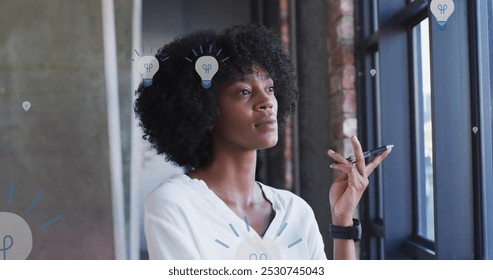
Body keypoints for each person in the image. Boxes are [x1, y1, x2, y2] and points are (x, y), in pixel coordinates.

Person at [134, 24, 391, 260]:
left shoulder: (296, 210)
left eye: (269, 89)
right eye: (244, 92)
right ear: (206, 111)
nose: (267, 102)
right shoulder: (174, 204)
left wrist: (343, 221)